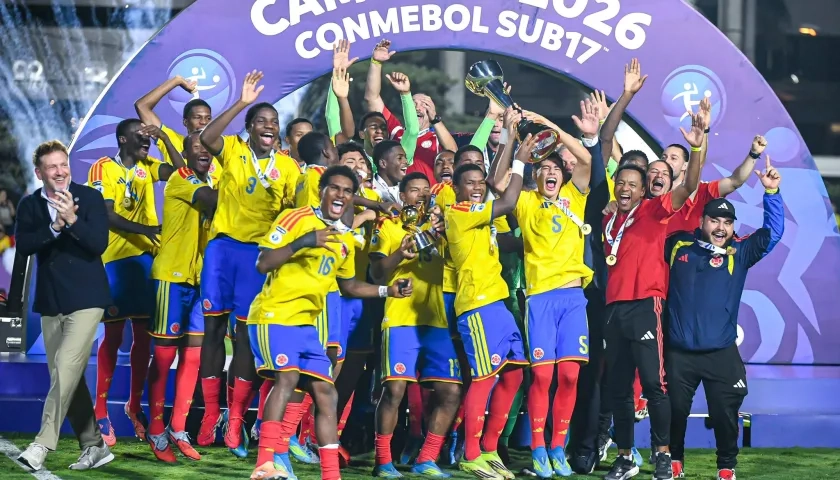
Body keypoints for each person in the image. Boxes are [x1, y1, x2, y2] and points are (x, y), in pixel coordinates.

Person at [248, 165, 412, 480]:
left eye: (347, 191)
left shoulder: (345, 239)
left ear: (352, 198)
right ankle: (265, 465)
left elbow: (349, 286)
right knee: (286, 379)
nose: (340, 195)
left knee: (327, 393)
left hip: (306, 327)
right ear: (321, 190)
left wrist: (387, 290)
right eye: (334, 188)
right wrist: (304, 241)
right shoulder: (295, 218)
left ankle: (331, 475)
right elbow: (263, 262)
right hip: (273, 315)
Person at [488, 102, 597, 477]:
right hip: (539, 300)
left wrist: (550, 124)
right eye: (543, 168)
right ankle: (537, 449)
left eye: (555, 168)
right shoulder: (526, 200)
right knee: (544, 377)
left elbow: (584, 157)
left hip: (572, 299)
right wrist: (508, 135)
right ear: (535, 174)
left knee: (569, 376)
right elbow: (496, 182)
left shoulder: (575, 197)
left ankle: (558, 448)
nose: (550, 172)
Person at [600, 100, 707, 480]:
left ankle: (662, 454)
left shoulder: (655, 210)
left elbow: (690, 185)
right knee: (618, 389)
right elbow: (604, 142)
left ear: (643, 188)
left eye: (633, 184)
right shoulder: (610, 217)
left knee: (653, 383)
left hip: (647, 303)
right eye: (621, 183)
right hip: (613, 308)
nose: (626, 188)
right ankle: (626, 456)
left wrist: (696, 147)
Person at [198, 70, 300, 453]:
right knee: (212, 331)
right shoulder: (234, 151)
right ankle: (211, 414)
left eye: (274, 122)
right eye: (261, 121)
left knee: (243, 338)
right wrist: (241, 100)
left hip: (257, 258)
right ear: (249, 128)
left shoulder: (288, 167)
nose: (269, 126)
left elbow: (293, 212)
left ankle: (235, 419)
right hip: (223, 250)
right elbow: (207, 139)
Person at [667, 157, 783, 480]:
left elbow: (773, 234)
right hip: (679, 352)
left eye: (727, 223)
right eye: (715, 221)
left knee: (725, 413)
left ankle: (726, 467)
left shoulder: (740, 252)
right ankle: (674, 462)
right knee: (674, 411)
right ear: (702, 221)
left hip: (720, 353)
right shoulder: (677, 246)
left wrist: (772, 193)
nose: (721, 228)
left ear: (733, 227)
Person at [445, 128, 537, 480]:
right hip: (476, 305)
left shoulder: (483, 217)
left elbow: (512, 238)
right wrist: (519, 162)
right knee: (484, 379)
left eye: (480, 181)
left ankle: (489, 449)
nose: (477, 186)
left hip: (498, 302)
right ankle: (469, 454)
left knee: (514, 375)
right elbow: (510, 201)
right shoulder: (458, 212)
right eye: (470, 182)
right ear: (457, 188)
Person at [16, 140, 114, 472]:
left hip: (87, 299)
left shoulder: (89, 198)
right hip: (51, 300)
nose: (60, 172)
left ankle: (42, 443)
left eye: (64, 164)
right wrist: (54, 227)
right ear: (39, 172)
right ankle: (95, 445)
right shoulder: (30, 205)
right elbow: (25, 246)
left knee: (67, 370)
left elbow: (98, 244)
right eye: (52, 167)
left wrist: (72, 218)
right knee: (65, 377)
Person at [87, 119, 184, 445]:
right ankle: (100, 410)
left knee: (144, 339)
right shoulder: (103, 168)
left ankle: (133, 404)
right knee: (113, 336)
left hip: (146, 263)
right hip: (114, 261)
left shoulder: (148, 166)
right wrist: (148, 232)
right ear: (122, 138)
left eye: (148, 138)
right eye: (141, 137)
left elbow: (182, 173)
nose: (146, 142)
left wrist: (164, 138)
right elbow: (106, 214)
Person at [369, 172, 461, 477]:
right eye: (413, 190)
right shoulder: (388, 226)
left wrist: (445, 231)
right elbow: (377, 274)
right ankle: (383, 461)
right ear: (402, 195)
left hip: (434, 319)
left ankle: (426, 459)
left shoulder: (440, 226)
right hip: (400, 318)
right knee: (394, 391)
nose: (420, 195)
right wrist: (399, 254)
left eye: (425, 191)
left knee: (449, 392)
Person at [145, 133, 218, 462]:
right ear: (186, 154)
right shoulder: (182, 177)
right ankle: (156, 428)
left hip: (199, 281)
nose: (203, 152)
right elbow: (213, 201)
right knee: (163, 359)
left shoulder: (211, 179)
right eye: (196, 148)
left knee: (192, 359)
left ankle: (178, 427)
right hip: (171, 279)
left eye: (208, 148)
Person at [364, 39, 459, 182]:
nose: (417, 107)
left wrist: (436, 120)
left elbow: (454, 154)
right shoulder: (396, 131)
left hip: (429, 200)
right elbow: (372, 98)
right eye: (413, 102)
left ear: (431, 111)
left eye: (424, 104)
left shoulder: (437, 139)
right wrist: (376, 63)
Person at [134, 75, 224, 185]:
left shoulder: (222, 147)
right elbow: (142, 106)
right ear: (185, 122)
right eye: (197, 117)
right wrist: (177, 81)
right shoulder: (172, 139)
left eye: (208, 118)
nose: (204, 122)